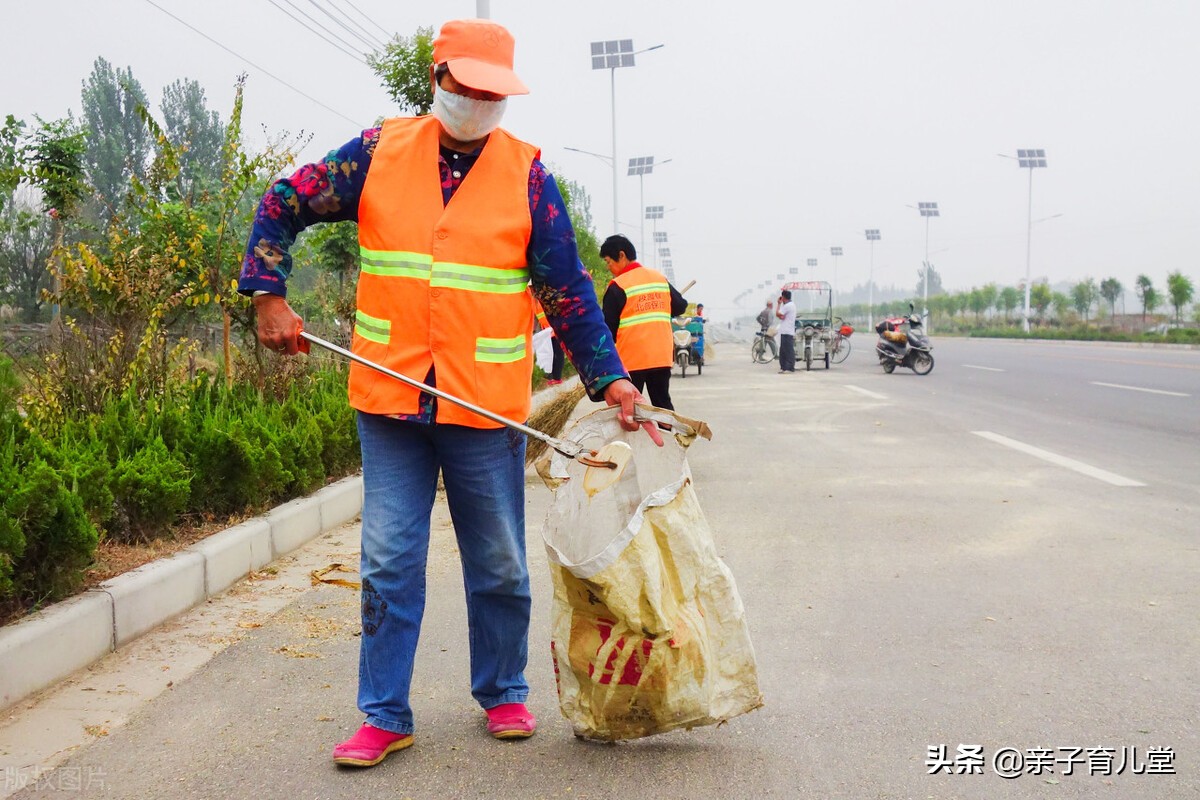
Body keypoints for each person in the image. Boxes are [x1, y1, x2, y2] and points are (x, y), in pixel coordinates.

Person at [238, 18, 663, 769]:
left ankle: (502, 690)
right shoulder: (376, 154)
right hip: (390, 401)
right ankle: (384, 714)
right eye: (466, 87)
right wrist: (268, 292)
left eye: (493, 93)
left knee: (498, 560)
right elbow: (283, 201)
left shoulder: (529, 179)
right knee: (388, 560)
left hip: (484, 407)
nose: (478, 102)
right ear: (437, 79)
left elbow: (568, 293)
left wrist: (613, 379)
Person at [599, 234, 688, 409]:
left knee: (628, 408)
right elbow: (680, 306)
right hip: (660, 356)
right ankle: (666, 428)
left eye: (609, 262)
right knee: (662, 403)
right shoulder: (659, 278)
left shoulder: (618, 285)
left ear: (622, 255)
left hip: (632, 359)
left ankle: (629, 429)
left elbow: (608, 329)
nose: (609, 267)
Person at [775, 290, 797, 373]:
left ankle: (789, 367)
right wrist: (780, 315)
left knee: (788, 350)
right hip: (786, 331)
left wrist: (778, 304)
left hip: (787, 331)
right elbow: (781, 316)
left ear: (783, 297)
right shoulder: (791, 305)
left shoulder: (788, 306)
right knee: (784, 350)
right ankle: (784, 367)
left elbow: (777, 314)